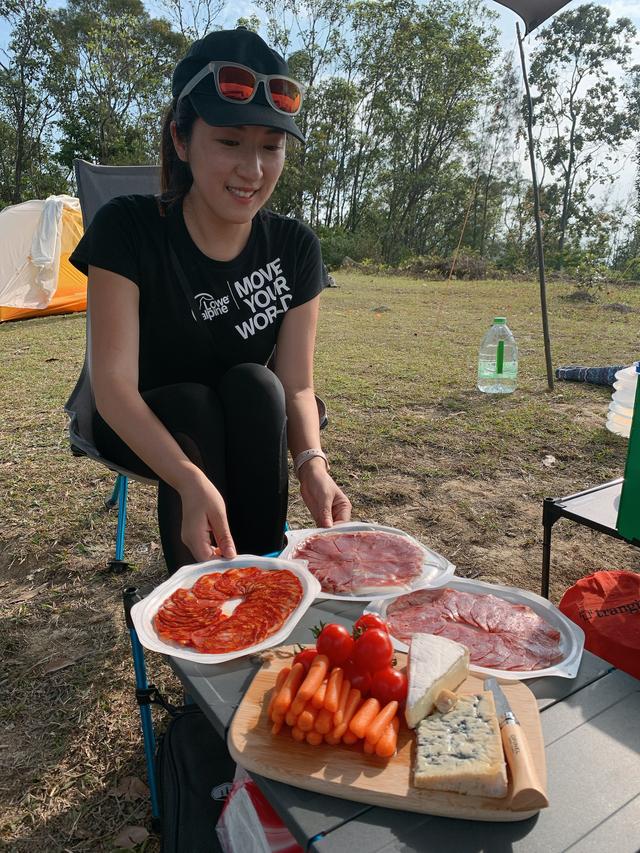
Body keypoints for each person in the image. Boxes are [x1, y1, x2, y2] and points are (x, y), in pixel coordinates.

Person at [70, 27, 351, 574]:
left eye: (271, 147)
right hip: (141, 418)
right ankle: (202, 598)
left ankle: (262, 576)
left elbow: (297, 385)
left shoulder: (294, 247)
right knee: (196, 407)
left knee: (258, 383)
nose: (253, 170)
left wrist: (312, 463)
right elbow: (113, 390)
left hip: (247, 416)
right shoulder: (127, 229)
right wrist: (188, 478)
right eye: (229, 142)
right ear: (181, 140)